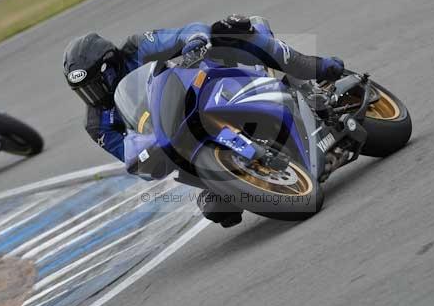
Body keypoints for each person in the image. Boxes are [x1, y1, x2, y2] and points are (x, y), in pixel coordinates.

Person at [63, 15, 344, 227]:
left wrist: (195, 40)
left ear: (110, 65)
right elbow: (129, 154)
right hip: (176, 140)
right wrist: (142, 159)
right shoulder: (96, 124)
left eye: (98, 83)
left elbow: (182, 33)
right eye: (84, 90)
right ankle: (253, 175)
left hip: (200, 86)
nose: (95, 94)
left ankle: (309, 75)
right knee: (216, 208)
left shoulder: (137, 47)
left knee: (234, 29)